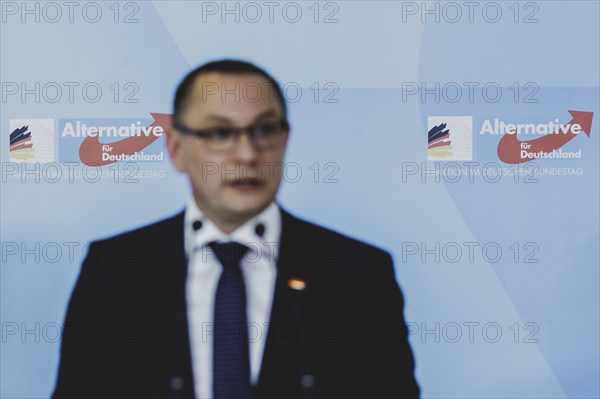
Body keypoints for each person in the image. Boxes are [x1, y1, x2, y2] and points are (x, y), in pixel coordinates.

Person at [52, 60, 420, 399]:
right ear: (177, 149)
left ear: (285, 139)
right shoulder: (114, 268)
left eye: (263, 130)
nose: (246, 153)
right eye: (219, 132)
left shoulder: (358, 272)